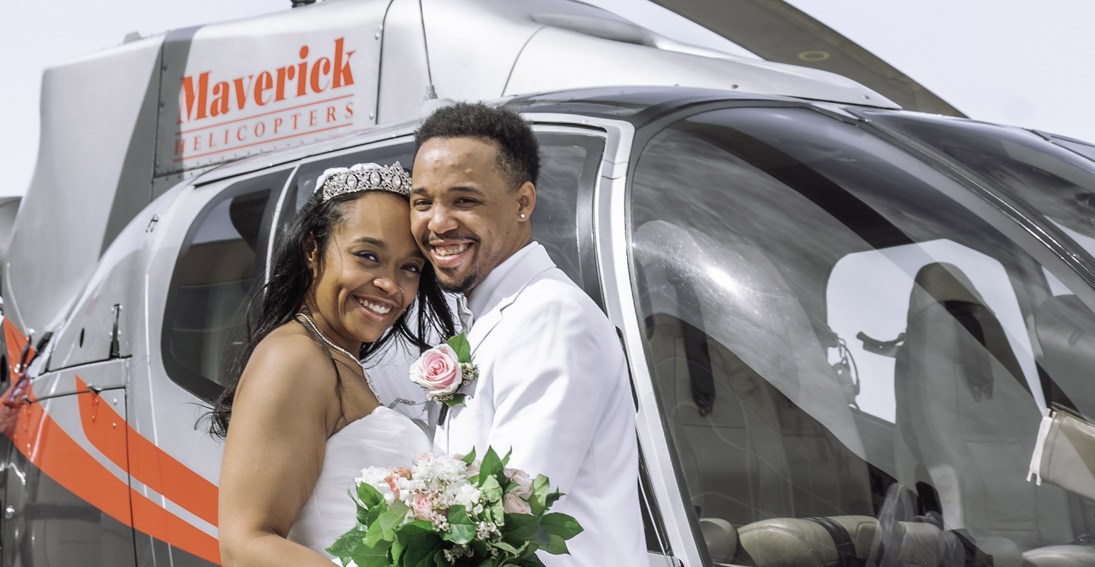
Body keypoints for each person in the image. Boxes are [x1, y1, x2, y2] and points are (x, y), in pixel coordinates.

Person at [410, 102, 647, 566]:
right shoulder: (498, 313)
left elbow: (505, 512)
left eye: (464, 200)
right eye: (423, 202)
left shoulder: (552, 316)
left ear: (523, 202)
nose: (437, 223)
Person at [211, 163, 455, 566]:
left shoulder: (336, 357)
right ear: (312, 249)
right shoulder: (294, 357)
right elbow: (245, 545)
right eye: (368, 256)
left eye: (409, 267)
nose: (390, 285)